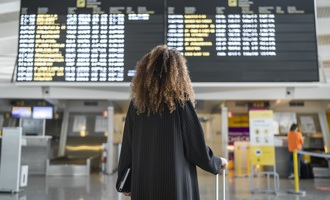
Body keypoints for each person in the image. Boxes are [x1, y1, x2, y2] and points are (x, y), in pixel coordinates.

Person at [116, 45, 228, 200]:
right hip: (176, 184)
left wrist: (124, 180)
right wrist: (217, 162)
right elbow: (196, 148)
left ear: (145, 73)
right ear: (179, 73)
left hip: (144, 184)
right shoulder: (180, 102)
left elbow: (127, 146)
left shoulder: (137, 104)